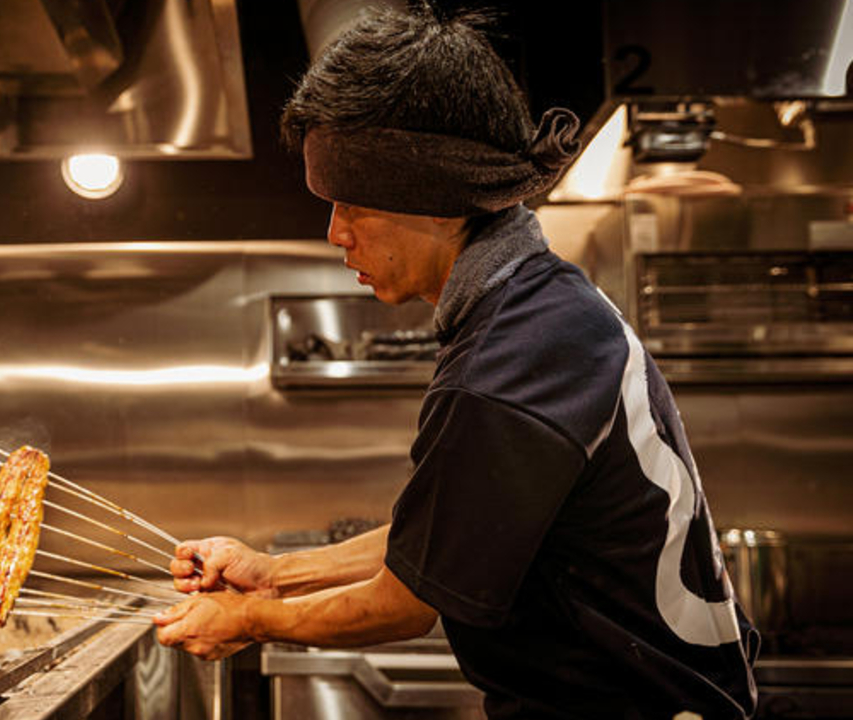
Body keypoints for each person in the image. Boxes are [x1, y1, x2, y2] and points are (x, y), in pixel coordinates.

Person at [152, 5, 759, 719]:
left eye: (353, 203)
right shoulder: (541, 305)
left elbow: (405, 603)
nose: (335, 233)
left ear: (438, 198)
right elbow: (449, 535)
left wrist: (251, 619)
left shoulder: (510, 364)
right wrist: (276, 574)